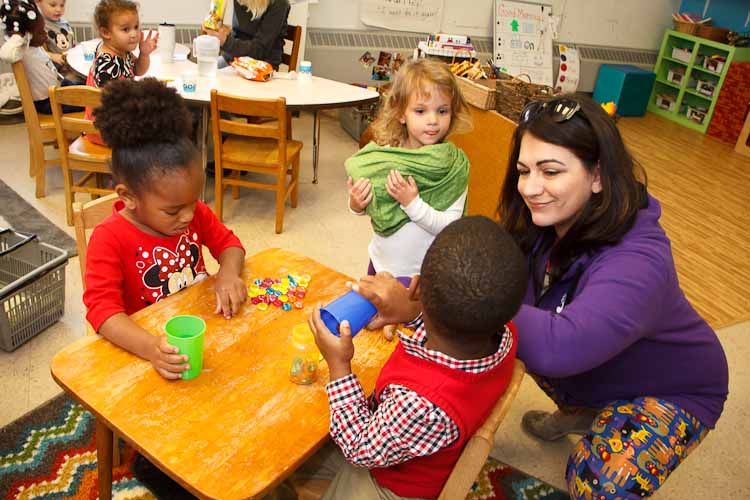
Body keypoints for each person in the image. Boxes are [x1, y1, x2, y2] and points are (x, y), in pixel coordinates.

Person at [354, 96, 729, 500]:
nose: (531, 188)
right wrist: (415, 290)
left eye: (550, 171)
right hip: (591, 366)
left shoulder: (640, 262)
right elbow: (478, 272)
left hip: (672, 389)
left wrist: (429, 305)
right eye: (523, 171)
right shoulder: (545, 220)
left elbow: (558, 347)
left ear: (598, 175)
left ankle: (592, 414)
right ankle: (582, 409)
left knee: (598, 485)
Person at [307, 216, 527, 499]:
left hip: (392, 485)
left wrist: (339, 366)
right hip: (412, 444)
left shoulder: (421, 405)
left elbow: (359, 448)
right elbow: (456, 329)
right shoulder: (502, 327)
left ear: (416, 287)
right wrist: (413, 314)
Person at [83, 78, 247, 380]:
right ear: (128, 197)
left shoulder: (193, 211)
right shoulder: (109, 238)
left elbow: (230, 245)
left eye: (193, 202)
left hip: (199, 333)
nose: (187, 216)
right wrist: (150, 347)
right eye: (173, 210)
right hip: (144, 352)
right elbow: (102, 313)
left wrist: (228, 273)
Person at [345, 58, 472, 284]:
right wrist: (356, 204)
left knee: (408, 320)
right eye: (421, 111)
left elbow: (451, 226)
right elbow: (377, 207)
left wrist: (412, 204)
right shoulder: (387, 156)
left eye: (442, 111)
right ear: (401, 113)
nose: (433, 120)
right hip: (380, 264)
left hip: (419, 277)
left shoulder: (453, 167)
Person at [84, 0, 157, 144]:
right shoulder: (107, 64)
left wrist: (144, 54)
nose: (134, 34)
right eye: (126, 29)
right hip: (105, 129)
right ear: (105, 32)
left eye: (136, 27)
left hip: (117, 120)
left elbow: (138, 70)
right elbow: (115, 104)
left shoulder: (123, 52)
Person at [0, 0, 82, 114]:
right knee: (90, 101)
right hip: (47, 102)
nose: (45, 35)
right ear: (26, 36)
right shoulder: (23, 50)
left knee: (87, 86)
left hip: (56, 88)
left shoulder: (35, 47)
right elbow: (5, 54)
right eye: (40, 32)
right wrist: (18, 37)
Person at [205, 0, 290, 70]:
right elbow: (239, 34)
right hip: (234, 60)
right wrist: (219, 33)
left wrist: (226, 41)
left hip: (261, 67)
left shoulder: (279, 3)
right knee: (202, 76)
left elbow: (260, 50)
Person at [35, 0, 81, 82]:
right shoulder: (39, 26)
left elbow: (70, 41)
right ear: (38, 2)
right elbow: (35, 52)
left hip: (72, 64)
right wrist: (52, 56)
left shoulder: (64, 22)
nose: (58, 9)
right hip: (57, 73)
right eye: (53, 5)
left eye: (62, 5)